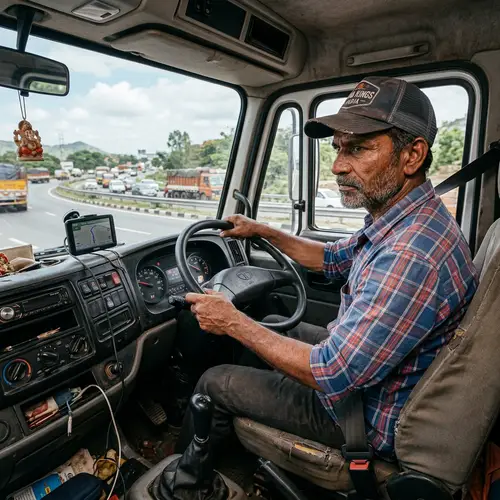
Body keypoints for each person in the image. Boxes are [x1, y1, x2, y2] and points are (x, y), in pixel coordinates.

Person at [177, 76, 478, 460]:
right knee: (271, 318)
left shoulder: (411, 254)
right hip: (368, 377)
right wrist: (261, 231)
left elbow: (333, 371)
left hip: (362, 416)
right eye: (338, 149)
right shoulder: (406, 218)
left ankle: (185, 482)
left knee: (212, 382)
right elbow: (332, 258)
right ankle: (248, 445)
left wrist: (231, 321)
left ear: (412, 156)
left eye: (358, 149)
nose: (337, 166)